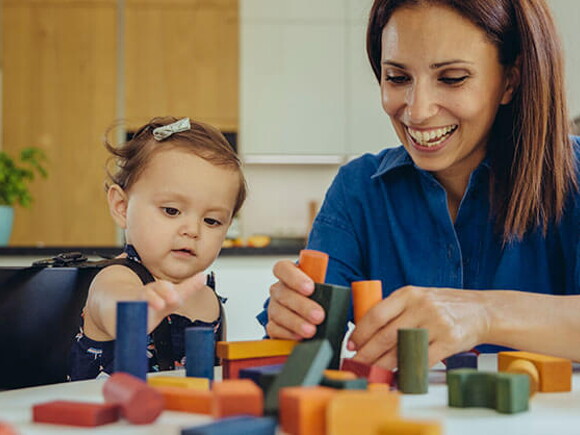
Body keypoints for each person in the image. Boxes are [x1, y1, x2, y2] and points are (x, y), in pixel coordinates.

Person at [259, 0, 580, 369]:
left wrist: (482, 314)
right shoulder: (358, 190)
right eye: (397, 78)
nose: (417, 110)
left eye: (452, 78)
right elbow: (305, 347)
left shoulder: (575, 177)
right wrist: (290, 318)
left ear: (511, 79)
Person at [69, 117, 246, 380]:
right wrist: (135, 309)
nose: (193, 230)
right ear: (122, 207)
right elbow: (113, 305)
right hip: (106, 418)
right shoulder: (117, 279)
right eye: (172, 210)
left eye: (211, 221)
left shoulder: (208, 298)